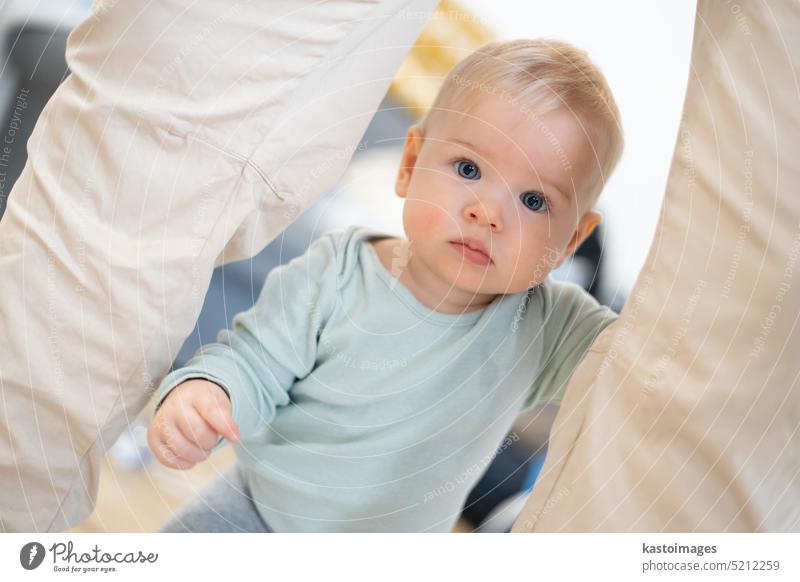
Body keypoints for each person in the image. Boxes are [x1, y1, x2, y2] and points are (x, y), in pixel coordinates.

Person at [147, 39, 624, 532]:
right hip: (258, 515)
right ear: (410, 164)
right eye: (469, 169)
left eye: (533, 201)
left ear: (570, 241)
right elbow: (252, 361)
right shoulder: (337, 274)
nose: (488, 213)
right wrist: (209, 393)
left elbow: (648, 364)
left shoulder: (548, 327)